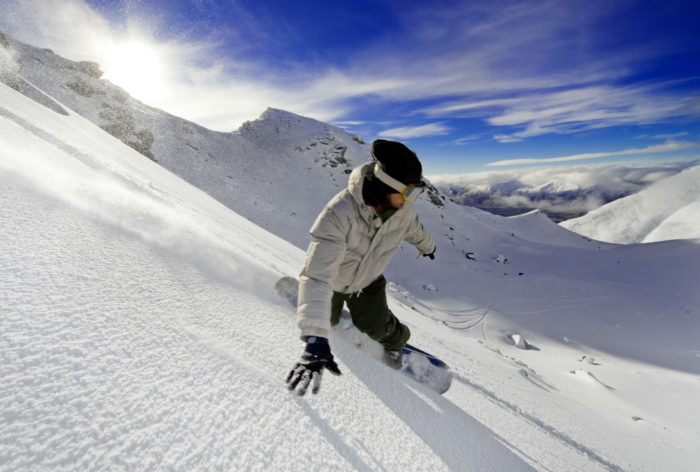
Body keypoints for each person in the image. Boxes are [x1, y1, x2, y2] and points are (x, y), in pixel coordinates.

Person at [286, 139, 436, 396]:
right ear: (384, 187)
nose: (409, 202)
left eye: (415, 194)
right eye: (408, 193)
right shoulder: (338, 214)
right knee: (327, 321)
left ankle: (397, 341)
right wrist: (315, 337)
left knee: (378, 329)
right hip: (332, 281)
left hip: (367, 281)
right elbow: (317, 276)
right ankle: (318, 309)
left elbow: (415, 230)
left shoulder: (402, 211)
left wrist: (428, 246)